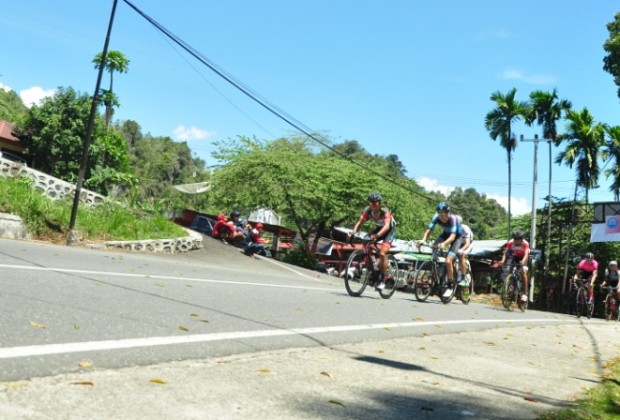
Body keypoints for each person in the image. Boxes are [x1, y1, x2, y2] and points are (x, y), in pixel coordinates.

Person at [349, 192, 396, 290]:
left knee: (383, 253)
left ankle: (382, 279)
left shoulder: (385, 211)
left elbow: (387, 226)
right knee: (366, 240)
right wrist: (353, 232)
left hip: (389, 230)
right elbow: (359, 222)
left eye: (375, 203)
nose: (373, 205)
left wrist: (377, 236)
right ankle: (372, 265)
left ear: (379, 203)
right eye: (371, 203)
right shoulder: (368, 211)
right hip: (379, 228)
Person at [420, 202, 462, 297]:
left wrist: (443, 244)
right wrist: (423, 239)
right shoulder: (436, 217)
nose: (442, 217)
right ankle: (435, 271)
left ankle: (450, 285)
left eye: (444, 214)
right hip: (445, 235)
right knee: (435, 246)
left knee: (448, 261)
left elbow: (452, 237)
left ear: (448, 213)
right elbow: (429, 230)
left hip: (457, 237)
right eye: (440, 214)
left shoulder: (453, 219)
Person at [499, 230, 531, 303]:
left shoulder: (525, 243)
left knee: (523, 272)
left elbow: (526, 254)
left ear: (522, 240)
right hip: (515, 256)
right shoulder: (510, 243)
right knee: (511, 269)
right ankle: (511, 285)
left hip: (524, 257)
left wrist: (523, 261)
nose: (516, 242)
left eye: (518, 240)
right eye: (515, 240)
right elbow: (505, 253)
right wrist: (503, 261)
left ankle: (524, 293)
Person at [455, 215, 474, 287]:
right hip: (459, 243)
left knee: (461, 255)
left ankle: (463, 276)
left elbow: (467, 243)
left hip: (468, 244)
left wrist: (461, 250)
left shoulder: (465, 228)